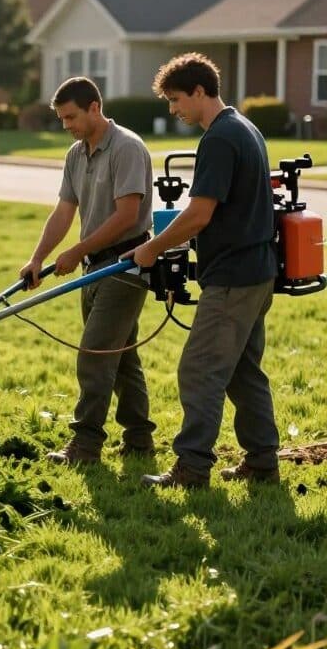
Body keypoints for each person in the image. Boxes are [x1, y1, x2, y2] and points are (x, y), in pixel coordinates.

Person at [124, 52, 280, 489]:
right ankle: (263, 462)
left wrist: (151, 248)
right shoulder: (245, 127)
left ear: (199, 91)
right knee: (243, 371)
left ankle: (191, 468)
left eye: (176, 100)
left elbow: (199, 214)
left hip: (233, 277)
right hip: (257, 271)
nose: (173, 110)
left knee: (199, 369)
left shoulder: (220, 137)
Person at [19, 76, 157, 465]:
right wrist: (38, 258)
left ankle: (85, 446)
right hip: (93, 268)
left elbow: (127, 214)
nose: (66, 126)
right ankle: (140, 440)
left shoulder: (127, 147)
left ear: (95, 107)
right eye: (62, 119)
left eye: (71, 117)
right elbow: (64, 211)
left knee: (95, 354)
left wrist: (76, 250)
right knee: (122, 356)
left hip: (127, 265)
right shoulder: (76, 154)